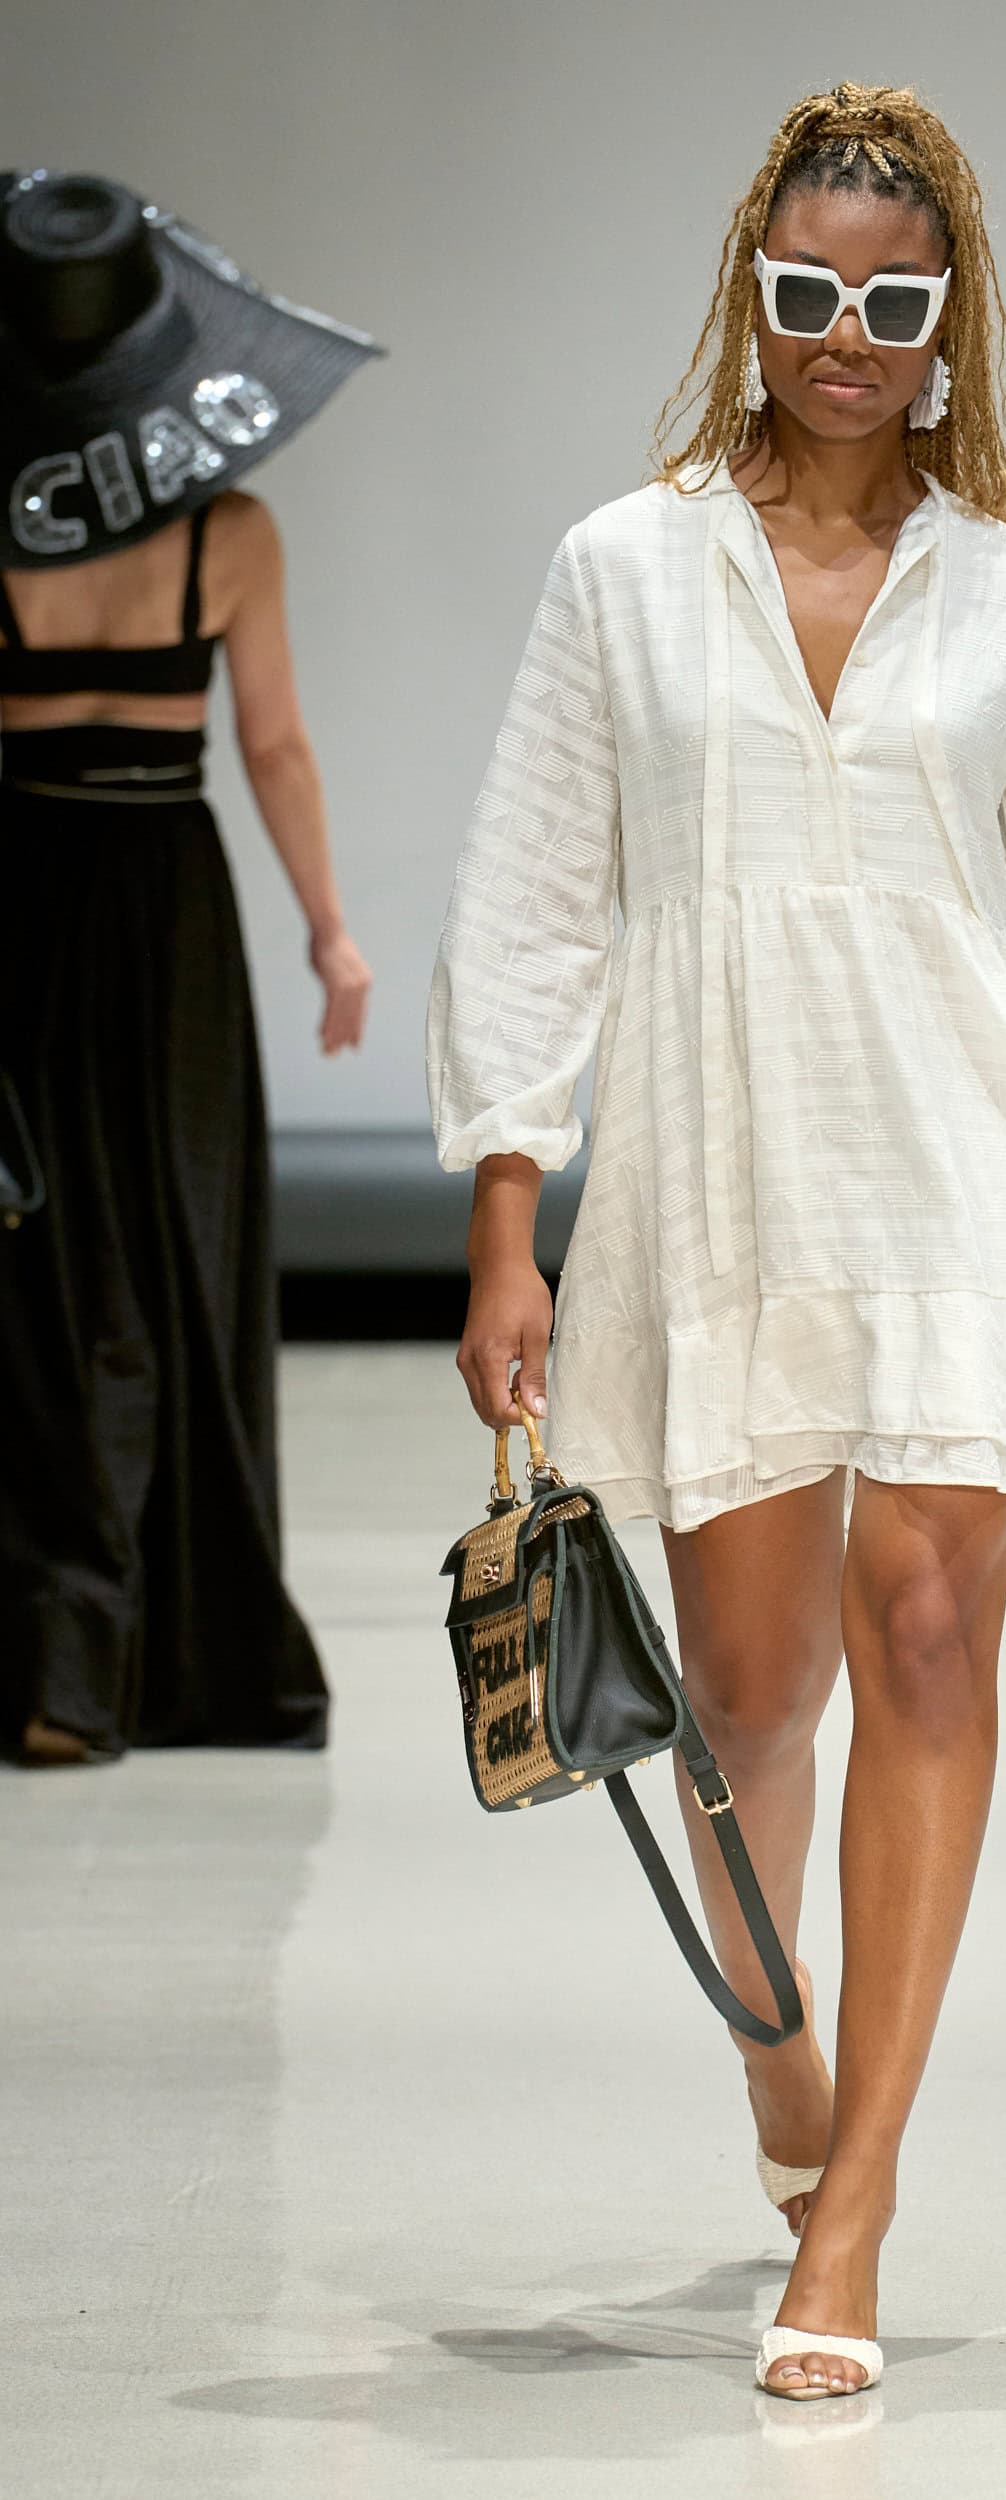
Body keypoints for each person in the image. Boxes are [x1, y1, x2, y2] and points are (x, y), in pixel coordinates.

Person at [428, 83, 1006, 2400]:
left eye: (890, 299)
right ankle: (784, 2055)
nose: (845, 335)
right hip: (720, 1172)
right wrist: (508, 1216)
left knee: (933, 1637)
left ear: (951, 318)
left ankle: (855, 2193)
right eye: (806, 293)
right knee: (750, 1692)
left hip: (969, 1170)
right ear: (749, 297)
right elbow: (531, 891)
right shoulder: (621, 568)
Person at [0, 172, 381, 1761]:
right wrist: (329, 928)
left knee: (40, 1271)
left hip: (22, 894)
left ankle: (60, 1657)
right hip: (167, 899)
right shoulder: (230, 532)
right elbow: (274, 745)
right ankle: (166, 1648)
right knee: (175, 1246)